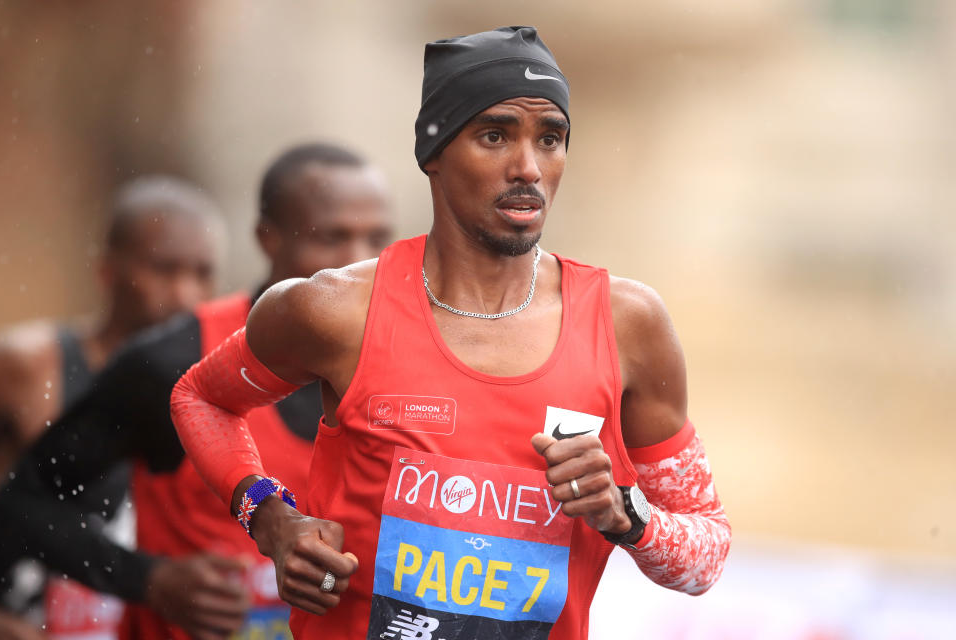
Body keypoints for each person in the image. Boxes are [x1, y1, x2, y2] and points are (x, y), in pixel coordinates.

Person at [171, 27, 732, 640]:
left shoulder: (628, 324)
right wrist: (271, 520)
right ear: (433, 151)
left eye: (551, 139)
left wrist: (627, 513)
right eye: (495, 135)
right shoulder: (333, 310)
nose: (528, 168)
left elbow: (705, 556)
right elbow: (201, 397)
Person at [0, 143, 395, 640]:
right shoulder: (172, 360)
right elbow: (22, 505)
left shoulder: (408, 367)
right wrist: (150, 580)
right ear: (267, 239)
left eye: (376, 238)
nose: (355, 262)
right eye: (331, 237)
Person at [0, 175, 224, 640]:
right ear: (107, 271)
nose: (185, 294)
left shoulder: (211, 384)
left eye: (202, 273)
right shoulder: (30, 367)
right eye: (164, 269)